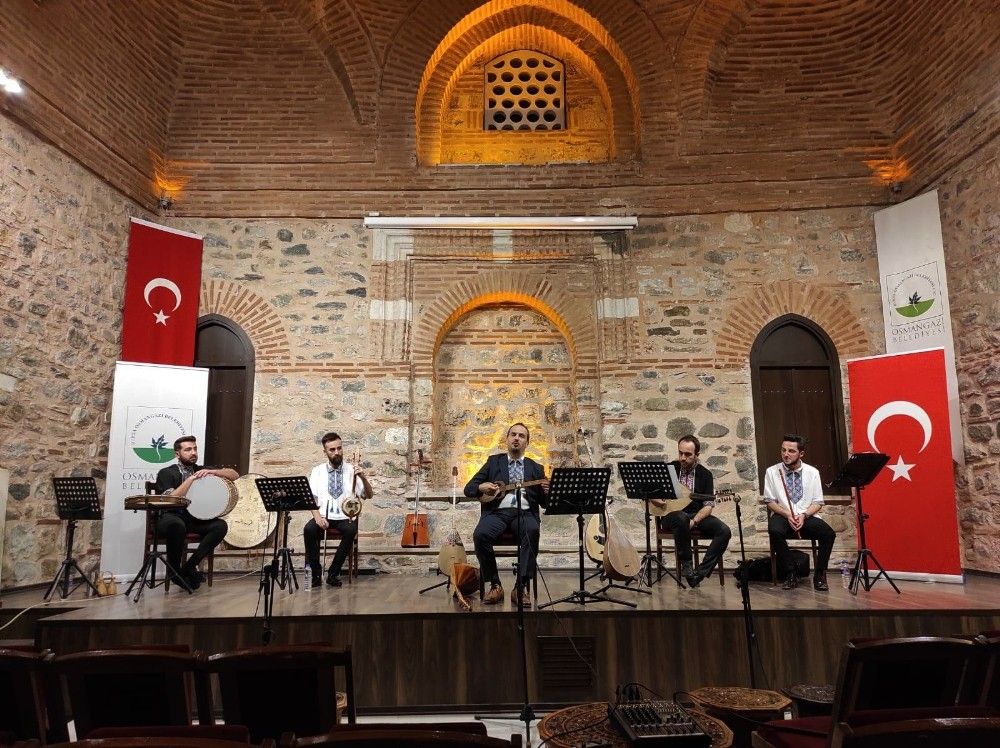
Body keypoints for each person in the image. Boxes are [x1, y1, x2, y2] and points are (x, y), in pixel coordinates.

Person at [465, 423, 549, 606]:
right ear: (507, 439)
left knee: (532, 530)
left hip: (525, 513)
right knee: (480, 534)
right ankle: (495, 584)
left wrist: (547, 492)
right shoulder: (493, 462)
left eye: (522, 436)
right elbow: (469, 488)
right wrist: (481, 487)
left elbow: (545, 503)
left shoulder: (536, 468)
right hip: (497, 513)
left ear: (527, 442)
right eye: (513, 434)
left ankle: (521, 586)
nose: (517, 438)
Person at [155, 435, 238, 590]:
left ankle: (189, 567)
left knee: (220, 526)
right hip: (170, 516)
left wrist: (214, 472)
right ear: (177, 454)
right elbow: (171, 499)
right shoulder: (166, 472)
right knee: (176, 525)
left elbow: (235, 475)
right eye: (188, 449)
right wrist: (191, 479)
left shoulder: (201, 469)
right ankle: (174, 571)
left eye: (195, 449)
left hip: (192, 519)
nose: (193, 452)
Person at [655, 435, 731, 588]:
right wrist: (655, 499)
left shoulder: (705, 475)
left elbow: (708, 506)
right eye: (680, 453)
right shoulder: (670, 469)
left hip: (696, 515)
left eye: (688, 454)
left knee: (724, 531)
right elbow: (650, 491)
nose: (683, 458)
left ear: (697, 455)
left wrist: (694, 521)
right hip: (671, 516)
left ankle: (699, 574)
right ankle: (687, 566)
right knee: (681, 517)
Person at [762, 434, 836, 591]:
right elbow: (769, 501)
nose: (786, 454)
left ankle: (820, 574)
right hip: (783, 514)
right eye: (783, 450)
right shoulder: (772, 471)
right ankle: (791, 572)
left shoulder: (812, 472)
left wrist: (804, 515)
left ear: (801, 453)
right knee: (774, 530)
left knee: (829, 534)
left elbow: (817, 502)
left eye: (791, 451)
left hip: (806, 515)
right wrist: (787, 514)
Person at [304, 432, 372, 588]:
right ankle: (316, 574)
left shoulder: (352, 470)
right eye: (332, 449)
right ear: (325, 452)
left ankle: (333, 573)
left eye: (339, 448)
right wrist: (318, 518)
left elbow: (368, 495)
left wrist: (363, 477)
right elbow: (312, 500)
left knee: (350, 530)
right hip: (323, 515)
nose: (337, 452)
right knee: (309, 529)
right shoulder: (317, 471)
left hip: (344, 517)